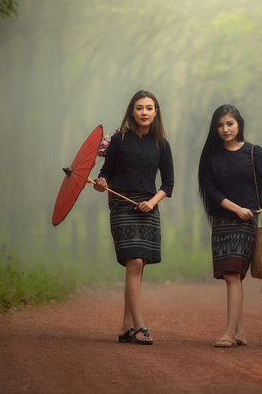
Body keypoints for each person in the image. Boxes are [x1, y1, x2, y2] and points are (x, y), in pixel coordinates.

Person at [197, 104, 262, 348]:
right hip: (223, 219)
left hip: (246, 221)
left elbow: (260, 189)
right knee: (229, 276)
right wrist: (236, 208)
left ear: (239, 124)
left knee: (233, 274)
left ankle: (228, 333)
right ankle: (240, 332)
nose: (225, 129)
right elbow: (210, 191)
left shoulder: (254, 152)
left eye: (230, 124)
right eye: (220, 125)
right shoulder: (210, 157)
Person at [94, 89, 174, 345]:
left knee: (139, 268)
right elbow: (106, 173)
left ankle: (125, 326)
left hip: (149, 207)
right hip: (122, 204)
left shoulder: (162, 144)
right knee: (135, 263)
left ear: (156, 112)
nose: (144, 112)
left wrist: (151, 202)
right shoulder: (119, 140)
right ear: (131, 111)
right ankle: (140, 326)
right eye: (139, 108)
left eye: (149, 108)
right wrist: (101, 183)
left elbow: (168, 183)